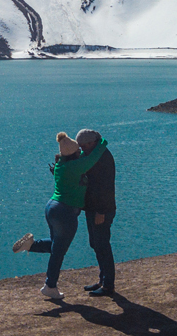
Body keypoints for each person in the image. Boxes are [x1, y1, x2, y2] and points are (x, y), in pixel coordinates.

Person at [11, 130, 108, 300]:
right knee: (59, 251)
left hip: (52, 208)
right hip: (65, 212)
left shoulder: (61, 165)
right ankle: (50, 285)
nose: (81, 152)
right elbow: (92, 159)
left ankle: (31, 246)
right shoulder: (74, 167)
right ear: (74, 154)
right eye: (79, 151)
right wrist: (103, 142)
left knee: (57, 245)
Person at [77, 129, 116, 296]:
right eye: (80, 146)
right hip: (92, 208)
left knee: (102, 245)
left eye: (85, 145)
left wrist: (101, 211)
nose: (82, 149)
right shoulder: (94, 155)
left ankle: (108, 285)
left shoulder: (103, 158)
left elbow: (105, 187)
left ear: (93, 142)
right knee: (96, 244)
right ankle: (102, 279)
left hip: (101, 210)